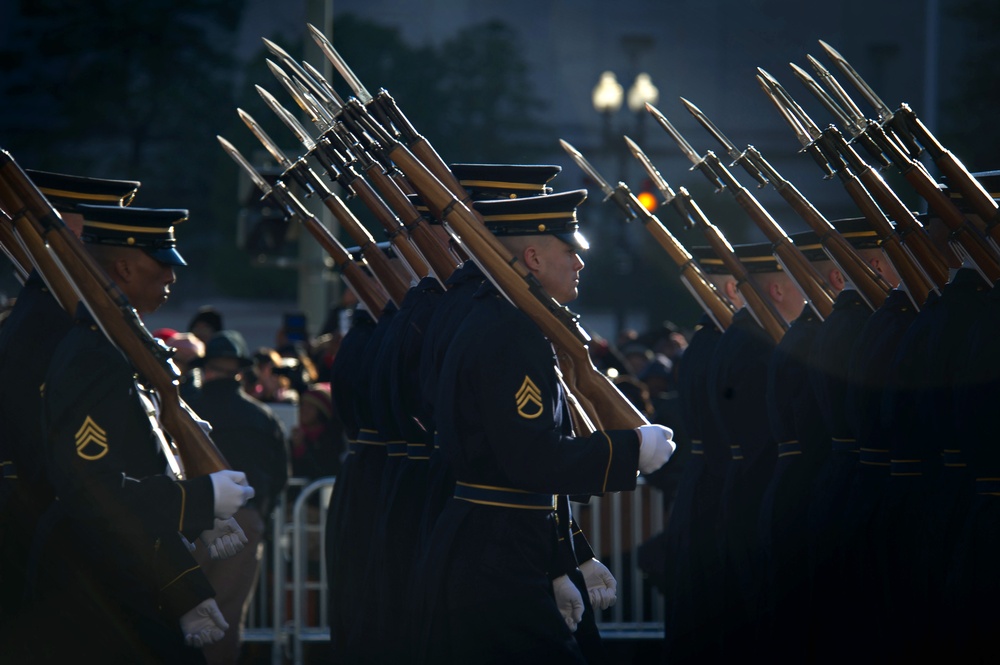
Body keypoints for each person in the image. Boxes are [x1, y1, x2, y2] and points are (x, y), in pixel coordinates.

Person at [416, 188, 675, 665]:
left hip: (498, 544)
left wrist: (563, 559)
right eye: (570, 251)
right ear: (532, 257)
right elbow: (532, 458)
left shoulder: (501, 319)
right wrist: (630, 447)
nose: (579, 263)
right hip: (498, 557)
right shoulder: (510, 332)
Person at [35, 202, 255, 663]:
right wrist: (200, 499)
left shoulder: (115, 345)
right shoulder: (95, 356)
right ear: (124, 268)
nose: (172, 279)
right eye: (163, 266)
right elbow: (94, 491)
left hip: (124, 577)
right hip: (101, 590)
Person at [0, 168, 141, 642]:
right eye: (98, 235)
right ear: (65, 233)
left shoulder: (49, 313)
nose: (112, 251)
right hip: (59, 546)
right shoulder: (53, 322)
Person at [185, 329, 290, 665]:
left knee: (179, 607)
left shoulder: (187, 411)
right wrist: (259, 515)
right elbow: (279, 477)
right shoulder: (262, 417)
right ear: (241, 371)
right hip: (244, 519)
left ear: (208, 369)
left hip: (188, 519)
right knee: (226, 613)